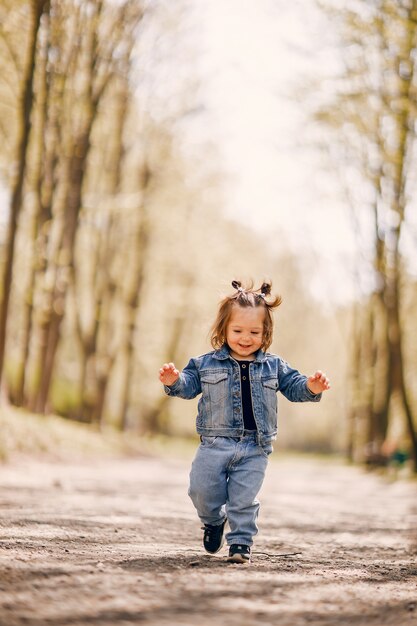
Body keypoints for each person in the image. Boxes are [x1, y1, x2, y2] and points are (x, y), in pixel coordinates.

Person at [158, 280, 330, 564]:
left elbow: (295, 387)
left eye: (254, 332)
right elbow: (188, 386)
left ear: (266, 333)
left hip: (255, 447)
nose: (245, 338)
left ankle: (240, 543)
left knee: (243, 498)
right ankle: (213, 521)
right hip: (214, 444)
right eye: (237, 330)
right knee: (200, 491)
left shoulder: (274, 365)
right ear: (223, 330)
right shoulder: (205, 364)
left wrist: (311, 387)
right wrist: (174, 381)